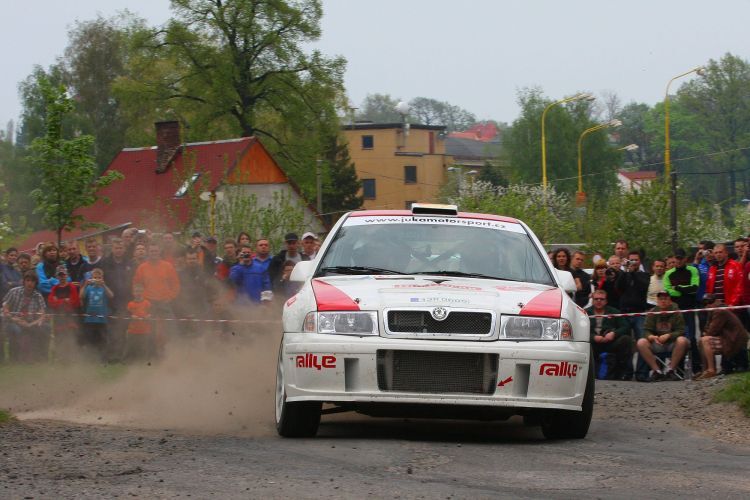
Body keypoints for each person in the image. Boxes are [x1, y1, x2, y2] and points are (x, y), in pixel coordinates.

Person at [132, 243, 181, 354]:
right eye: (151, 251)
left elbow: (176, 284)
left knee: (171, 327)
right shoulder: (142, 267)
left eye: (156, 251)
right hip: (148, 303)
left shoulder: (168, 266)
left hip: (165, 302)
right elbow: (136, 284)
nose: (154, 253)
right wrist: (141, 299)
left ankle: (175, 352)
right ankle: (150, 353)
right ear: (148, 253)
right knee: (149, 329)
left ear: (159, 252)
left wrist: (171, 296)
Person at [637, 291, 689, 381]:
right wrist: (651, 337)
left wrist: (669, 335)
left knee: (682, 340)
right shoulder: (652, 312)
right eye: (661, 299)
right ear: (657, 300)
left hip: (673, 343)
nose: (663, 301)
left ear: (670, 301)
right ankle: (657, 371)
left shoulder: (676, 311)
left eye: (665, 299)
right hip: (658, 343)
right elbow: (646, 330)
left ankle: (671, 370)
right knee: (641, 342)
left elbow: (681, 330)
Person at [696, 294, 750, 380]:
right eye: (705, 303)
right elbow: (708, 328)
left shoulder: (719, 311)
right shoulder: (713, 311)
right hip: (729, 339)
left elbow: (712, 331)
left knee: (705, 340)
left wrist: (706, 332)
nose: (708, 305)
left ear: (716, 301)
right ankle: (705, 370)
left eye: (710, 301)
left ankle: (711, 370)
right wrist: (706, 331)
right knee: (701, 341)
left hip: (735, 341)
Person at [100, 238, 134, 362]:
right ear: (112, 249)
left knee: (125, 330)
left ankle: (123, 356)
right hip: (110, 302)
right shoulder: (104, 263)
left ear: (124, 249)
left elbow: (134, 283)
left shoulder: (130, 264)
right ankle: (111, 356)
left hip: (126, 302)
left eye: (120, 248)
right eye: (116, 248)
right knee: (111, 331)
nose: (118, 250)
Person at [2, 271, 48, 362]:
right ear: (24, 281)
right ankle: (15, 358)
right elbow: (5, 309)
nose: (30, 283)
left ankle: (41, 356)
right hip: (12, 321)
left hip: (30, 323)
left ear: (35, 283)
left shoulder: (38, 296)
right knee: (16, 329)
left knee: (46, 327)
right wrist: (15, 320)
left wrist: (30, 324)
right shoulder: (14, 292)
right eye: (27, 280)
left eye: (32, 281)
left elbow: (42, 316)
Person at [585, 289, 632, 380]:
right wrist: (593, 337)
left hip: (610, 342)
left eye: (602, 299)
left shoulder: (615, 311)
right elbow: (579, 329)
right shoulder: (585, 312)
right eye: (596, 299)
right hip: (593, 344)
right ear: (592, 300)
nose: (599, 301)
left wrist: (614, 334)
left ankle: (623, 373)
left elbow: (626, 326)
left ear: (606, 301)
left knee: (626, 339)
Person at [47, 265, 81, 362]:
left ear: (67, 275)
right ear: (57, 276)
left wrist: (58, 301)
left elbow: (75, 302)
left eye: (63, 275)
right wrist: (65, 301)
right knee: (59, 338)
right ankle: (60, 358)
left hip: (70, 318)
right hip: (58, 319)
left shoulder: (71, 287)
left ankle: (72, 358)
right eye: (60, 275)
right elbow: (51, 302)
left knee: (70, 338)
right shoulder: (55, 288)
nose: (62, 277)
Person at [79, 268, 114, 360]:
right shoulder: (89, 288)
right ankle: (90, 358)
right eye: (95, 277)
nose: (97, 279)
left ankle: (103, 359)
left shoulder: (103, 288)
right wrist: (85, 285)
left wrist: (104, 285)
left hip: (102, 319)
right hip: (89, 319)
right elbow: (81, 296)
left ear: (102, 278)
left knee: (102, 340)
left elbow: (111, 295)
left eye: (99, 277)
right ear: (91, 278)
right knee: (90, 340)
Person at [125, 283, 154, 362]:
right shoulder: (130, 304)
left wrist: (148, 316)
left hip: (145, 330)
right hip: (132, 330)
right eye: (136, 291)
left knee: (144, 348)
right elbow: (127, 315)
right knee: (130, 347)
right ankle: (127, 362)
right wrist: (131, 316)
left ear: (143, 292)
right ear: (133, 293)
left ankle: (144, 363)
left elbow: (152, 313)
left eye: (140, 291)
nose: (138, 293)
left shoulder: (147, 303)